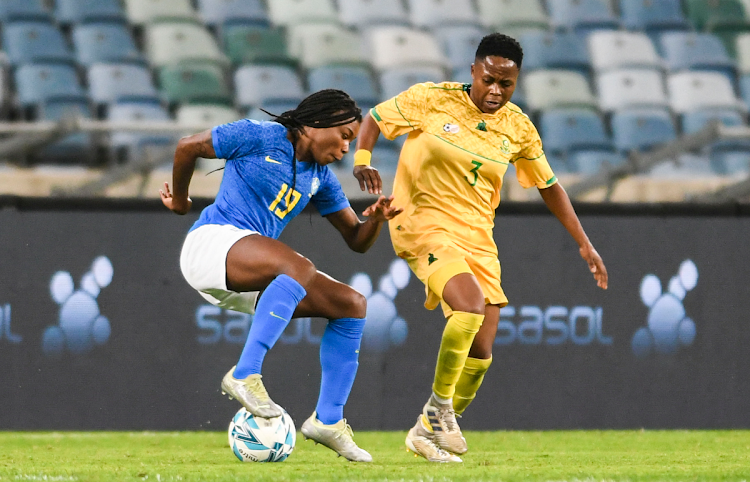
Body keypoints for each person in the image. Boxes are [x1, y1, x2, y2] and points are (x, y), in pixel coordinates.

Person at [352, 34, 609, 462]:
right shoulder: (430, 100)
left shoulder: (518, 126)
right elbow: (374, 119)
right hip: (422, 223)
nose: (495, 91)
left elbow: (549, 186)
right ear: (473, 71)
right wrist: (363, 160)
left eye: (506, 84)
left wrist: (584, 243)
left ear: (516, 82)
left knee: (481, 350)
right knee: (468, 306)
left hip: (477, 236)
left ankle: (426, 429)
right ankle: (438, 412)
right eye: (489, 79)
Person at [161, 89, 402, 463]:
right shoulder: (259, 135)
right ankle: (245, 375)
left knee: (351, 305)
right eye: (344, 137)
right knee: (299, 267)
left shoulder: (321, 178)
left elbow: (356, 240)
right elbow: (187, 146)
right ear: (319, 122)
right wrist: (179, 200)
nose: (345, 149)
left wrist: (376, 220)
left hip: (242, 278)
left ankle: (328, 420)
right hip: (210, 246)